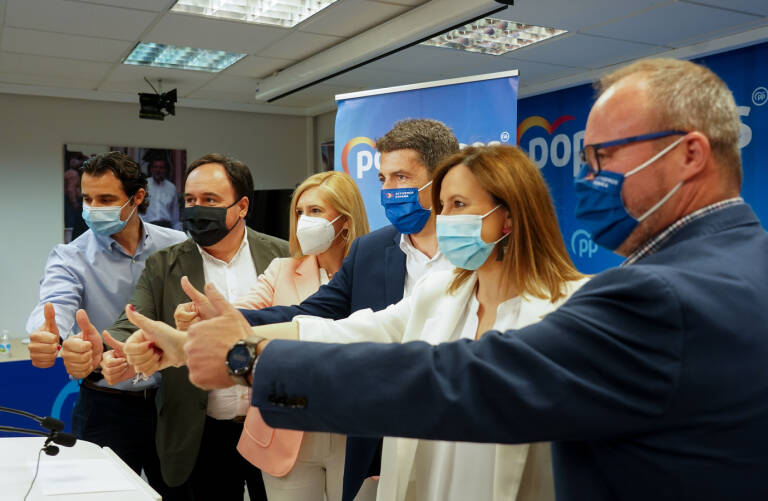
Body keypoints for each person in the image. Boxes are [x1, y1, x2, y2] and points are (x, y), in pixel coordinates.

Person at [168, 58, 768, 500]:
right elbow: (354, 329)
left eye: (604, 158)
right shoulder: (744, 264)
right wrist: (239, 331)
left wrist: (249, 362)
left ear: (690, 154)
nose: (589, 179)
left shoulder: (657, 295)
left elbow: (461, 380)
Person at [123, 145, 588, 501]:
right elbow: (341, 328)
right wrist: (206, 341)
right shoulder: (440, 292)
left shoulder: (572, 310)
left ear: (509, 217)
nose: (444, 219)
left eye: (459, 205)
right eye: (442, 206)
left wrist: (243, 356)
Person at [175, 118, 458, 500]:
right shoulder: (372, 250)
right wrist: (232, 321)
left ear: (441, 179)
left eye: (401, 177)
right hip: (385, 429)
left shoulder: (475, 254)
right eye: (383, 179)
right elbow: (313, 314)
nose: (389, 190)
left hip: (456, 421)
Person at [100, 153, 288, 501]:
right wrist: (119, 352)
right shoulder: (164, 264)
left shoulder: (284, 256)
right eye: (190, 200)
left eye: (210, 200)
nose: (197, 209)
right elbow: (132, 322)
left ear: (242, 206)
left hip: (274, 426)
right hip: (200, 433)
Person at [26, 152, 186, 497]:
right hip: (105, 406)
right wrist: (48, 335)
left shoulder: (176, 247)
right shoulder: (71, 256)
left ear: (137, 197)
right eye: (87, 199)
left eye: (106, 199)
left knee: (180, 493)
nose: (93, 208)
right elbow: (54, 303)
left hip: (172, 403)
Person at [223, 170, 369, 501]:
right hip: (288, 426)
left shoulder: (373, 273)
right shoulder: (282, 269)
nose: (303, 220)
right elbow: (247, 311)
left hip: (355, 428)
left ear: (345, 220)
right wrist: (209, 316)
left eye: (315, 211)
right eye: (300, 212)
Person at [143, 153, 181, 230]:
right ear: (151, 169)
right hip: (148, 227)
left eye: (161, 168)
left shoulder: (171, 188)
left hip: (166, 228)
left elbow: (175, 215)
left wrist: (177, 232)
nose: (158, 170)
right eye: (155, 167)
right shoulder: (144, 185)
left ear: (165, 170)